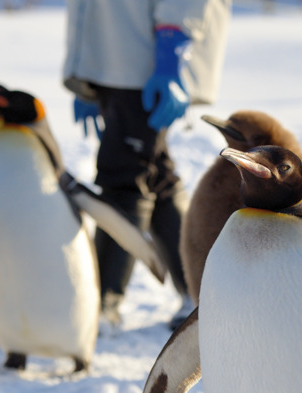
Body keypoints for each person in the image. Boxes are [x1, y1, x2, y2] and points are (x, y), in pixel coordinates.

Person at [63, 0, 231, 329]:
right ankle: (199, 291)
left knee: (125, 176)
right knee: (153, 176)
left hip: (146, 60)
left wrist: (171, 50)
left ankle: (102, 305)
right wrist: (86, 70)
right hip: (115, 61)